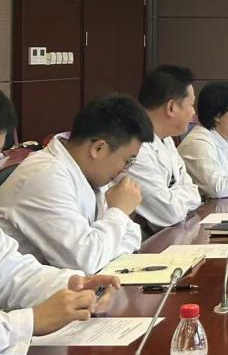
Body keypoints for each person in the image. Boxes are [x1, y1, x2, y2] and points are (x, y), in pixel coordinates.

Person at [0, 91, 121, 355]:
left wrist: (73, 285)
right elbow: (88, 255)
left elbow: (11, 273)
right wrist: (31, 321)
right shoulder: (44, 174)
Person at [0, 95, 152, 273]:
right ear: (98, 148)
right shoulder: (44, 176)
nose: (126, 170)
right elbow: (87, 261)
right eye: (128, 161)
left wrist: (106, 245)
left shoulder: (91, 173)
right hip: (26, 288)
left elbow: (132, 237)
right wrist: (119, 211)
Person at [131, 65, 203, 233]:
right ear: (171, 107)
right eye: (191, 105)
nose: (193, 113)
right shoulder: (134, 146)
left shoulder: (166, 139)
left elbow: (194, 192)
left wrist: (174, 196)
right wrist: (179, 196)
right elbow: (168, 213)